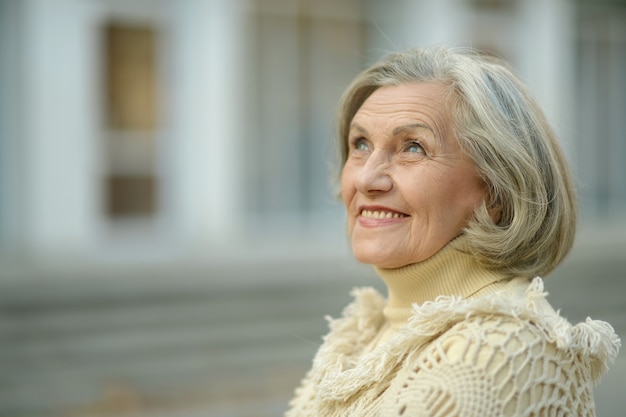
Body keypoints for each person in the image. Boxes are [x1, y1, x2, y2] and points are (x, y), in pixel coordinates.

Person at [285, 47, 621, 417]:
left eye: (413, 147)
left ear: (497, 189)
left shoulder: (501, 352)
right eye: (360, 144)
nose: (366, 178)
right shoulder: (369, 332)